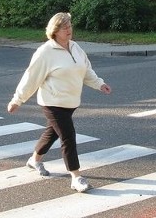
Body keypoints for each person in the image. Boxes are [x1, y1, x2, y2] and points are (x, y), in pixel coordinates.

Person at [7, 12, 112, 193]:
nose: (69, 29)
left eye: (70, 26)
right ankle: (76, 177)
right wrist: (18, 99)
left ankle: (35, 160)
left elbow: (86, 70)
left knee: (52, 132)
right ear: (54, 30)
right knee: (68, 135)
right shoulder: (45, 52)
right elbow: (31, 78)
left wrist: (100, 84)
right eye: (64, 27)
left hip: (70, 101)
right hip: (52, 102)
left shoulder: (76, 48)